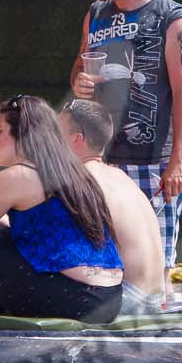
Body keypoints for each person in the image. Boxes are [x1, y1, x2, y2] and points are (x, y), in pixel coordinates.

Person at [0, 96, 123, 324]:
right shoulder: (73, 170)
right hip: (111, 299)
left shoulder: (18, 176)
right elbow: (39, 236)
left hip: (77, 301)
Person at [69, 0, 182, 270]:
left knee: (152, 267)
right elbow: (78, 70)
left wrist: (178, 162)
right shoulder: (96, 15)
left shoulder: (173, 19)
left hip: (153, 163)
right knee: (102, 265)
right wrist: (80, 82)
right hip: (101, 163)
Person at [59, 98, 166, 312]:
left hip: (127, 298)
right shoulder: (119, 177)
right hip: (155, 298)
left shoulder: (81, 179)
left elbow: (42, 237)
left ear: (76, 140)